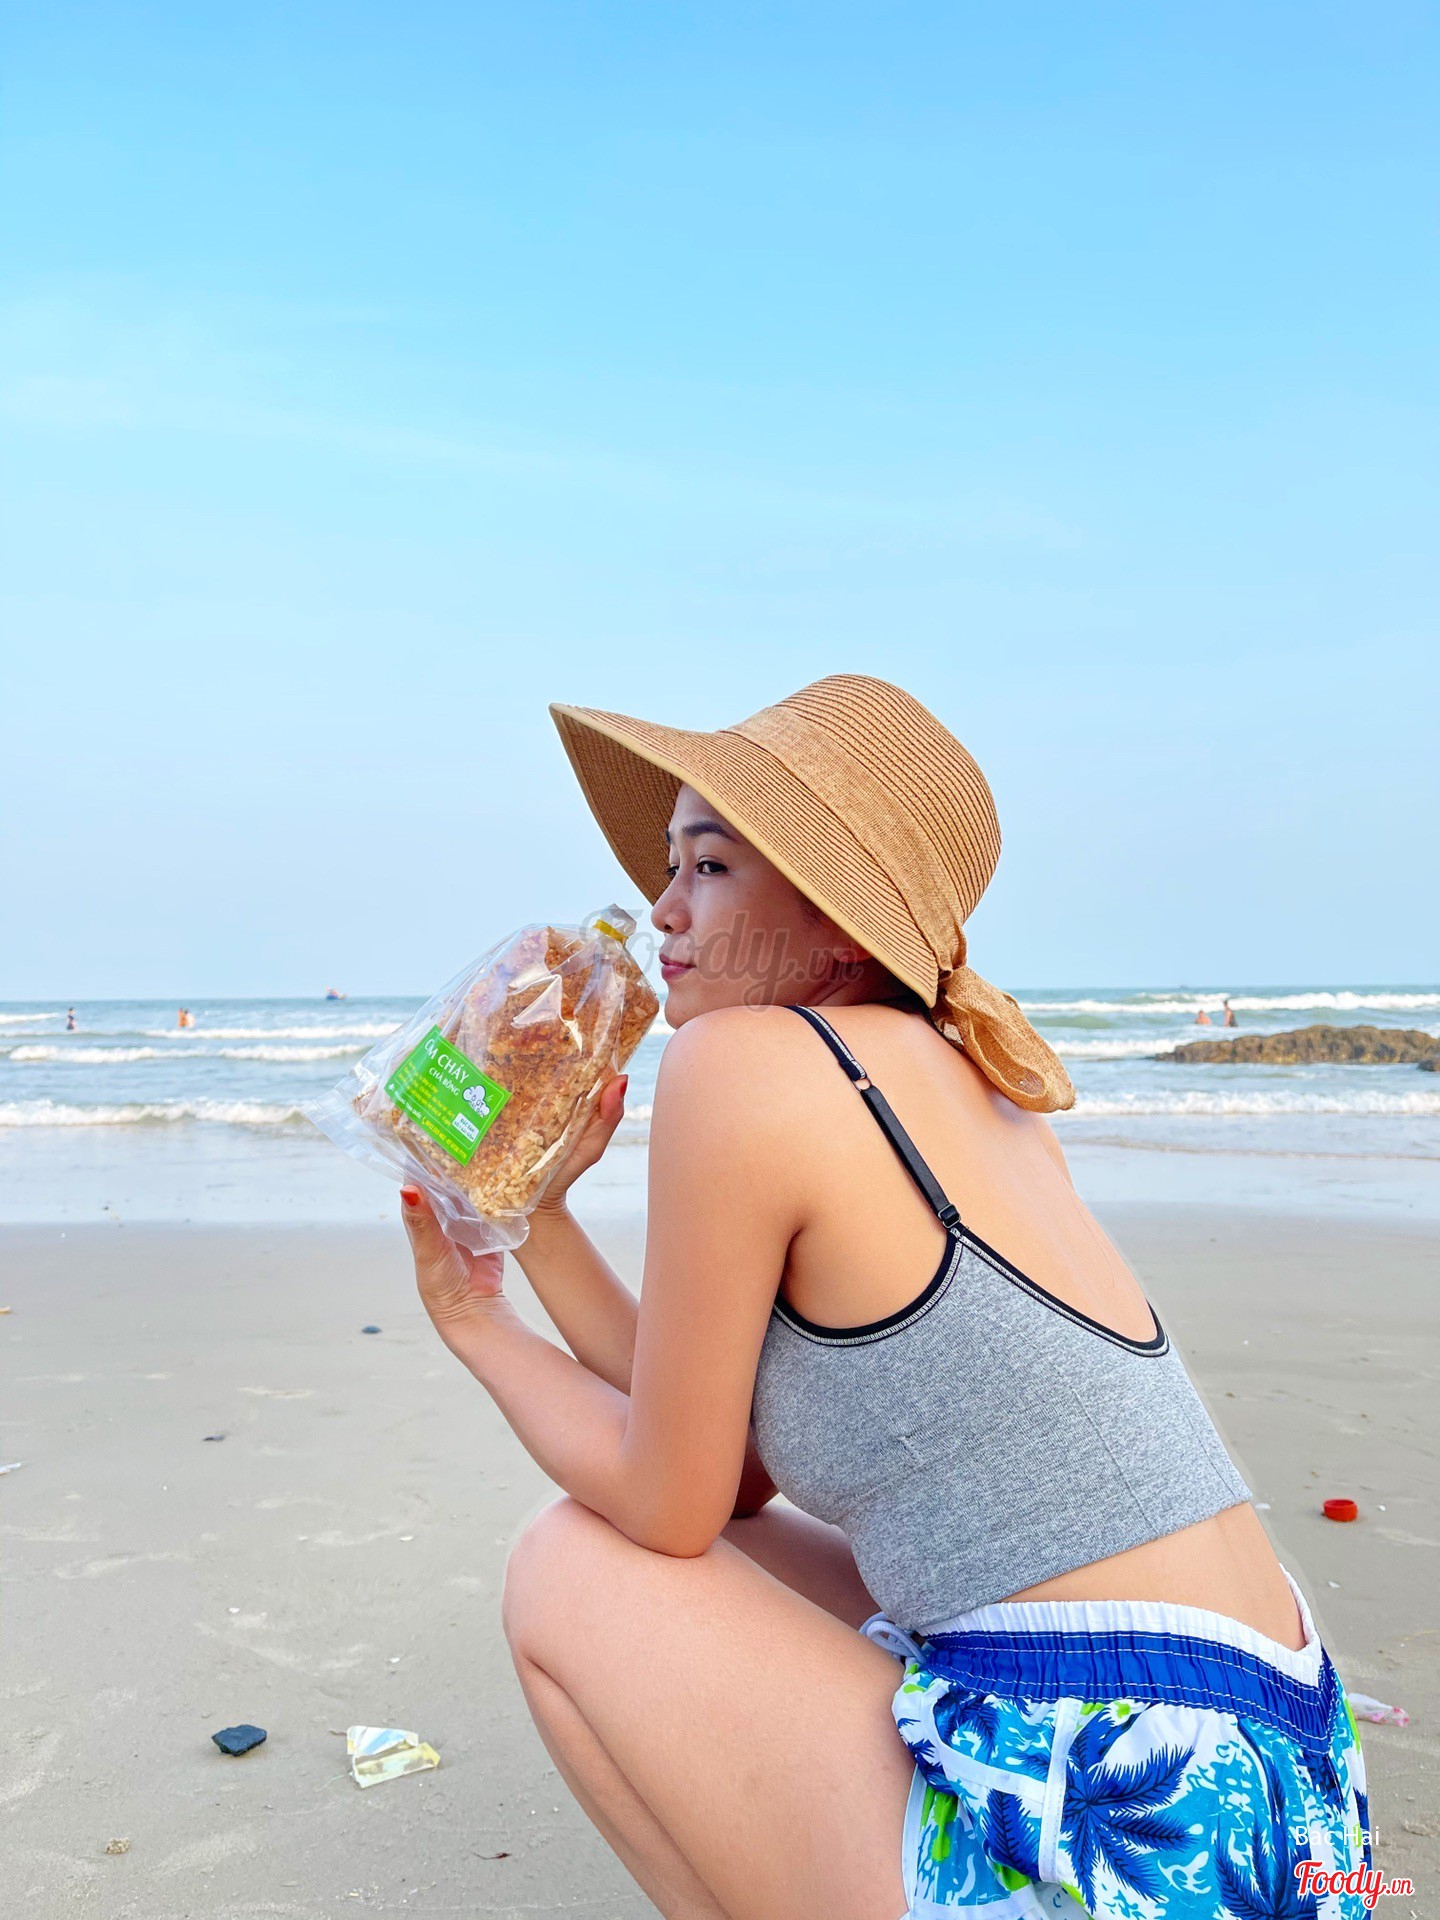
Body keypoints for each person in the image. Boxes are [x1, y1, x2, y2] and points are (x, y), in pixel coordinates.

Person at [399, 676, 1370, 1920]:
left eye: (710, 867)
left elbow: (664, 1502)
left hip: (1135, 1824)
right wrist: (532, 1215)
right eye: (670, 865)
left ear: (840, 920)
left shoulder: (744, 1063)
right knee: (732, 1552)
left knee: (568, 1565)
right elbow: (727, 1480)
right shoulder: (970, 1088)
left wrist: (475, 1321)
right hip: (1283, 1794)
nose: (661, 910)